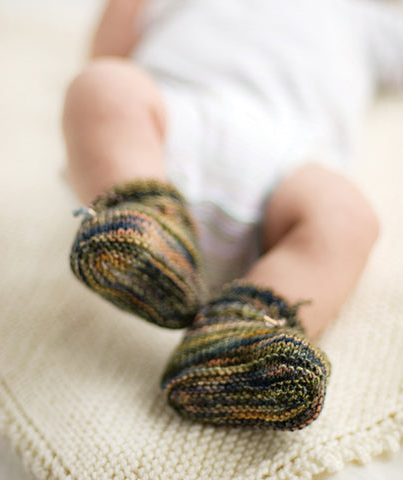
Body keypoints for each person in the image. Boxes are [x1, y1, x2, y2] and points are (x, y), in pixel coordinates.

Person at [62, 0, 403, 430]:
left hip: (288, 169)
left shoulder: (364, 17)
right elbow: (110, 48)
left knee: (350, 218)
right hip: (169, 123)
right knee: (102, 85)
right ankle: (144, 223)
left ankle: (241, 338)